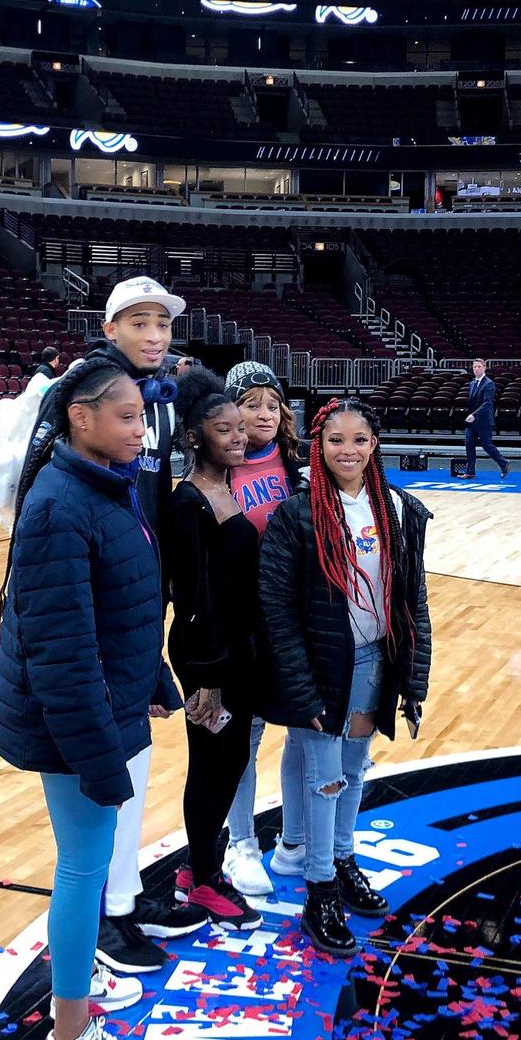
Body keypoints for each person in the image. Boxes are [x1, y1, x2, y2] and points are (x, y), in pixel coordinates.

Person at [0, 358, 184, 1040]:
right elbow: (62, 658)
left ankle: (78, 985)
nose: (142, 428)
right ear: (81, 417)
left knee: (89, 866)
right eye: (128, 416)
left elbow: (121, 604)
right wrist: (102, 763)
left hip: (100, 708)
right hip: (74, 722)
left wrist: (155, 676)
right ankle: (69, 1038)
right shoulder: (61, 505)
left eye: (142, 415)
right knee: (82, 870)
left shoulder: (101, 484)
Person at [27, 276, 205, 973]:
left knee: (135, 763)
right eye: (139, 322)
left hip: (139, 600)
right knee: (105, 774)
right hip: (90, 598)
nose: (154, 335)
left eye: (162, 323)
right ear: (109, 329)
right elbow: (40, 493)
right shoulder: (81, 390)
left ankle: (127, 899)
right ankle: (99, 919)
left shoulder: (161, 399)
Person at [259, 398, 431, 955]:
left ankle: (340, 855)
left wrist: (414, 676)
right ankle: (319, 888)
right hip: (320, 665)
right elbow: (276, 610)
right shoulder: (297, 514)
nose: (348, 450)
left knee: (354, 770)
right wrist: (298, 683)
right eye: (336, 440)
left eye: (359, 440)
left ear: (375, 445)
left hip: (373, 659)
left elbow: (413, 600)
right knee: (324, 777)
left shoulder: (399, 510)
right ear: (318, 445)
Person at [165, 369, 263, 929]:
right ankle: (202, 881)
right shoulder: (188, 503)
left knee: (229, 762)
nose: (238, 437)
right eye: (224, 430)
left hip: (236, 648)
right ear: (197, 437)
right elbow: (192, 597)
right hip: (208, 655)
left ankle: (197, 866)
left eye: (240, 428)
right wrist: (207, 676)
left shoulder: (229, 486)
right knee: (213, 764)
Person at [218, 360, 307, 898]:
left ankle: (296, 841)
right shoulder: (213, 467)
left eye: (272, 404)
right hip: (243, 623)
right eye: (251, 404)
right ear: (231, 410)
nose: (265, 414)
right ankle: (241, 842)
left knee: (304, 727)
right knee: (243, 738)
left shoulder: (300, 463)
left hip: (294, 621)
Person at [456, 358, 510, 480]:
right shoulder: (471, 384)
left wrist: (474, 415)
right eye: (474, 367)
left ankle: (503, 463)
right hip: (472, 422)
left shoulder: (489, 384)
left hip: (484, 421)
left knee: (487, 445)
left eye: (479, 366)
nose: (476, 369)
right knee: (469, 444)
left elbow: (487, 404)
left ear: (484, 368)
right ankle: (470, 472)